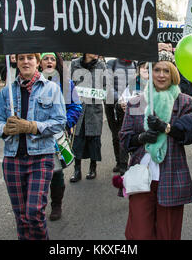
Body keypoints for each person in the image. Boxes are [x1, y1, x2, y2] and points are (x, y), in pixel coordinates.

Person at [119, 50, 192, 240]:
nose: (161, 75)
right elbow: (124, 139)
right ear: (150, 71)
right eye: (157, 70)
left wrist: (167, 128)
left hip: (171, 175)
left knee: (168, 234)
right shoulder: (138, 102)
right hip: (142, 177)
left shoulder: (185, 102)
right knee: (140, 233)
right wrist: (142, 138)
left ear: (173, 73)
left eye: (166, 70)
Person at [0, 53, 66, 240]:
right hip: (13, 159)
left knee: (34, 213)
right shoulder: (5, 92)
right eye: (21, 58)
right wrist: (5, 129)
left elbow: (59, 122)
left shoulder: (52, 89)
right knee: (21, 217)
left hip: (41, 158)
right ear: (16, 61)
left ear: (37, 62)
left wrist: (32, 126)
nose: (26, 61)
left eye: (30, 58)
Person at [39, 52, 82, 221]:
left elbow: (76, 107)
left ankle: (56, 204)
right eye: (45, 58)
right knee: (37, 172)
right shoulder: (31, 83)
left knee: (56, 172)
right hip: (35, 136)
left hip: (57, 136)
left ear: (57, 63)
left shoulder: (66, 83)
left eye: (52, 59)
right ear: (39, 62)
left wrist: (63, 124)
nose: (49, 61)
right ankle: (37, 206)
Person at [70, 53, 106, 182]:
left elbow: (106, 85)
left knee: (94, 139)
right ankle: (77, 169)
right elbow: (69, 84)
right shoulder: (75, 64)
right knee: (77, 139)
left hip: (94, 108)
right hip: (78, 108)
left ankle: (93, 167)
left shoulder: (101, 66)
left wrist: (103, 94)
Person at [105, 58, 137, 175]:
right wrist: (120, 100)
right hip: (113, 105)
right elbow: (108, 84)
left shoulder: (135, 63)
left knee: (129, 133)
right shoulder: (111, 64)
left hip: (131, 105)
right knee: (116, 134)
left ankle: (128, 161)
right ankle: (119, 161)